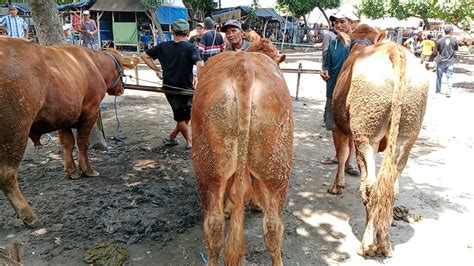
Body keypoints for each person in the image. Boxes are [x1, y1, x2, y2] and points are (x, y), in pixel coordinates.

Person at [141, 19, 204, 149]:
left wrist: (157, 70)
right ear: (187, 33)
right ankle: (189, 141)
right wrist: (200, 78)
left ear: (172, 31)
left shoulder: (162, 46)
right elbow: (200, 64)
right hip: (186, 88)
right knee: (181, 117)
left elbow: (144, 56)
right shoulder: (190, 47)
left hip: (170, 88)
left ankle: (173, 136)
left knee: (185, 115)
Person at [320, 9, 359, 176]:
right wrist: (325, 72)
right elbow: (327, 64)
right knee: (335, 128)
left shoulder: (358, 43)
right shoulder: (333, 42)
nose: (339, 25)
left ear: (351, 22)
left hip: (352, 93)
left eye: (342, 21)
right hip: (333, 90)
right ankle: (338, 156)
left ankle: (349, 163)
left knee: (350, 129)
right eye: (336, 22)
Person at [435, 26, 458, 97]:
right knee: (449, 77)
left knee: (439, 77)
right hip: (450, 62)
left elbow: (438, 52)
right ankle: (449, 91)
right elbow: (455, 51)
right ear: (450, 31)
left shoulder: (439, 40)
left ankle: (438, 91)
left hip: (441, 61)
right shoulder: (454, 40)